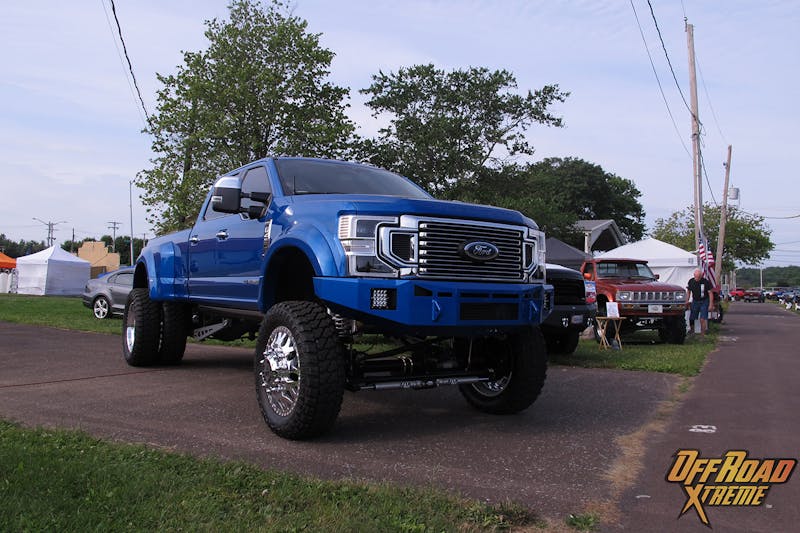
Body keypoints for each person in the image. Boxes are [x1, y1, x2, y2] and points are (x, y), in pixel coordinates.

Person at [686, 269, 715, 337]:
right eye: (696, 277)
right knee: (692, 317)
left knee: (702, 318)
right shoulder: (691, 281)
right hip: (695, 301)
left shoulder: (706, 282)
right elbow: (689, 291)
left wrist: (711, 304)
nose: (697, 279)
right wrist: (687, 300)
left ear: (701, 276)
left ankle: (702, 334)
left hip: (704, 301)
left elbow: (710, 293)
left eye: (698, 277)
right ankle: (692, 331)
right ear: (694, 276)